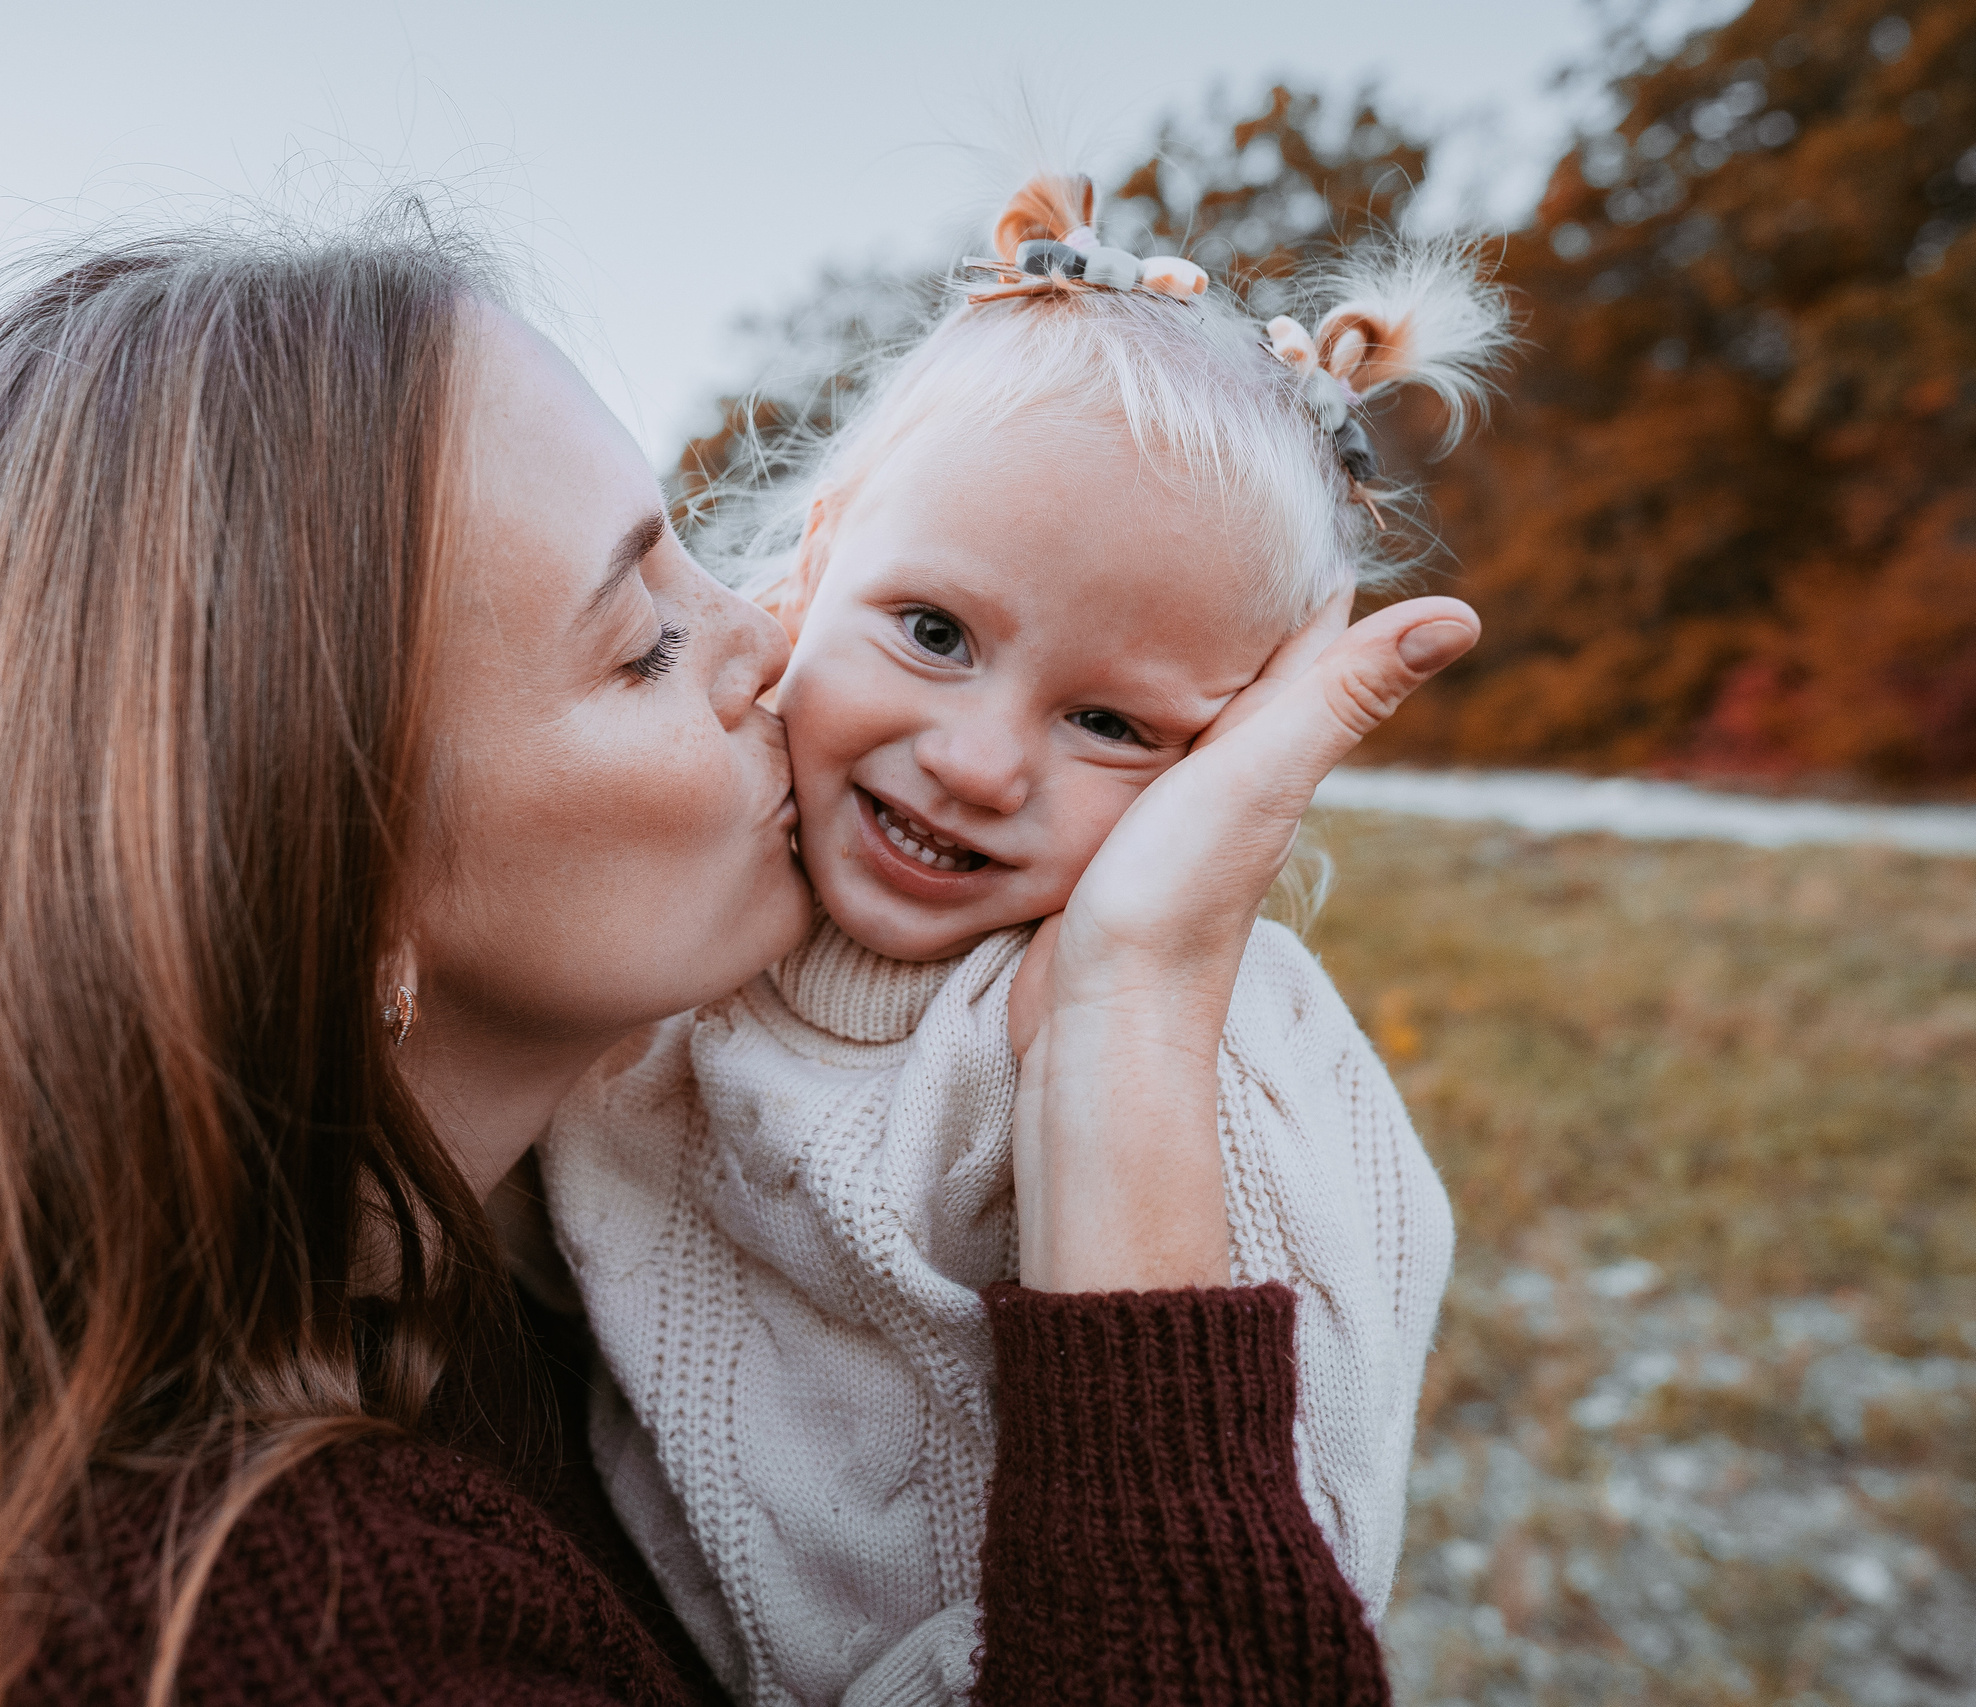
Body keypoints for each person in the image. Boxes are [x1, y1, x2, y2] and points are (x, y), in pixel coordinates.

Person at [0, 201, 1478, 1707]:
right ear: (339, 876)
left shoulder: (453, 1308)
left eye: (698, 558)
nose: (766, 642)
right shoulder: (279, 1638)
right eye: (641, 637)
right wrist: (1127, 1029)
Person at [539, 173, 1508, 1706]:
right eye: (932, 632)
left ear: (1231, 756)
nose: (982, 765)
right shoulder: (668, 920)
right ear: (823, 548)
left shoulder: (1194, 1062)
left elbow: (1285, 1559)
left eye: (1112, 721)